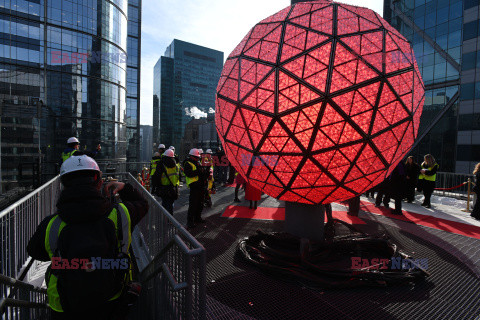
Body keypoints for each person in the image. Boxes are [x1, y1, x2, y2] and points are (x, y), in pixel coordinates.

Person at [26, 155, 149, 320]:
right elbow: (143, 205)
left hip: (64, 304)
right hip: (111, 297)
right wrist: (124, 187)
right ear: (99, 181)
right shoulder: (120, 215)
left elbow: (35, 251)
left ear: (63, 184)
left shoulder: (51, 225)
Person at [183, 148, 206, 229]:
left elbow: (201, 172)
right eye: (196, 157)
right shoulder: (187, 163)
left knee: (200, 203)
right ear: (192, 156)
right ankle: (190, 222)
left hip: (200, 186)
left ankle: (197, 218)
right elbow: (189, 174)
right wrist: (199, 171)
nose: (198, 158)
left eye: (198, 157)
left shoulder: (197, 162)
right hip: (194, 186)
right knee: (193, 205)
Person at [156, 149, 179, 214]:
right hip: (172, 186)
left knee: (164, 202)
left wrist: (157, 186)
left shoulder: (161, 164)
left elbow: (157, 176)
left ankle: (164, 217)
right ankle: (170, 219)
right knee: (170, 204)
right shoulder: (175, 164)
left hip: (163, 186)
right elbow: (178, 175)